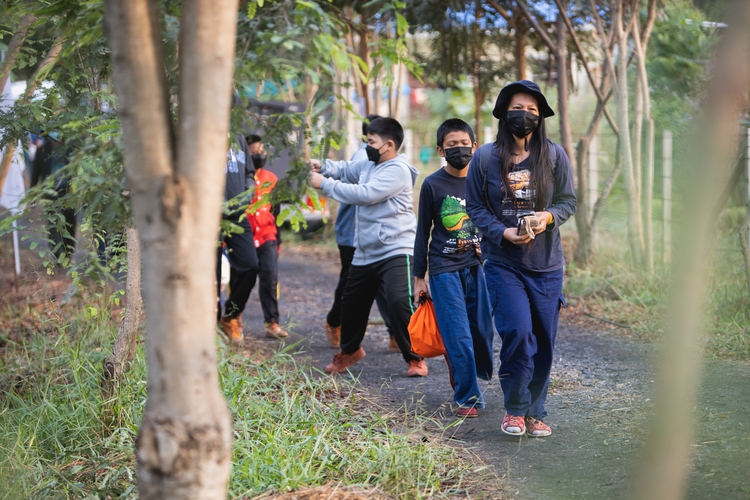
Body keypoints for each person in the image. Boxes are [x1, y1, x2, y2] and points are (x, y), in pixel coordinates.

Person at [466, 80, 577, 437]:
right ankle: (515, 409)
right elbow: (476, 208)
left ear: (541, 116)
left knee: (543, 340)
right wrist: (503, 233)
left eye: (531, 110)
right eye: (517, 108)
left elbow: (568, 202)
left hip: (546, 265)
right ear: (504, 113)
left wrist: (547, 217)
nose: (524, 115)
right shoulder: (485, 157)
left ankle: (535, 411)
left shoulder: (555, 156)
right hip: (503, 261)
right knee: (517, 332)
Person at [310, 117, 427, 377]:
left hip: (396, 248)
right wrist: (324, 167)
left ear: (389, 145)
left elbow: (365, 194)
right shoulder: (370, 163)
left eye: (371, 142)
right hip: (366, 250)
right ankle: (350, 351)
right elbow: (347, 169)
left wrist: (324, 184)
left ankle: (415, 356)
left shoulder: (397, 170)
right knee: (351, 303)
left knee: (398, 301)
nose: (367, 146)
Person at [413, 118, 494, 418]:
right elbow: (422, 232)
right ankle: (467, 396)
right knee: (459, 334)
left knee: (482, 332)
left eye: (463, 144)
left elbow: (495, 222)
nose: (459, 149)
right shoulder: (432, 184)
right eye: (451, 145)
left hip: (477, 266)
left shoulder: (485, 181)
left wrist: (489, 248)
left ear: (474, 146)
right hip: (444, 268)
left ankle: (463, 369)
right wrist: (418, 278)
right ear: (440, 150)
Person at [324, 114, 396, 352]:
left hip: (375, 235)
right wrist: (322, 177)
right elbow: (360, 191)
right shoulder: (362, 157)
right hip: (351, 233)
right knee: (351, 283)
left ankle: (395, 334)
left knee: (384, 284)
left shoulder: (391, 162)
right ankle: (335, 322)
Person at [217, 133, 260, 345]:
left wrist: (247, 192)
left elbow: (249, 172)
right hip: (208, 216)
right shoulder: (201, 129)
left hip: (237, 215)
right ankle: (212, 326)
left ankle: (230, 315)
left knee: (250, 266)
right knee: (211, 274)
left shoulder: (238, 137)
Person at [245, 134, 288, 339]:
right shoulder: (239, 178)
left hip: (267, 234)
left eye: (261, 151)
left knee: (270, 276)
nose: (259, 155)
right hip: (244, 235)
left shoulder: (271, 179)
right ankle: (233, 317)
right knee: (243, 276)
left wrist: (277, 241)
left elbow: (276, 211)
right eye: (254, 152)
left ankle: (272, 323)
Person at [31, 133, 76, 263]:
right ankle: (56, 256)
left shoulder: (69, 149)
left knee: (69, 223)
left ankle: (68, 254)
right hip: (50, 192)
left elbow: (76, 171)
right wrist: (32, 195)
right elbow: (36, 173)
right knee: (53, 224)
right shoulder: (42, 150)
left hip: (68, 192)